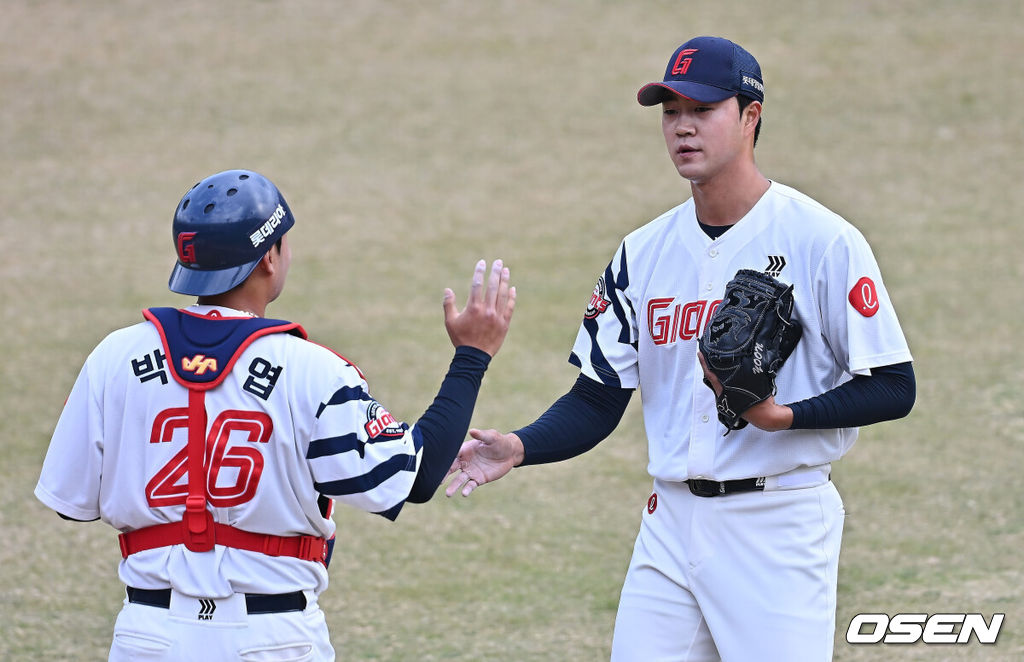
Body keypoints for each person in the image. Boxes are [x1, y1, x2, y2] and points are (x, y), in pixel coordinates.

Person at [445, 36, 915, 661]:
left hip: (777, 526)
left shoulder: (822, 241)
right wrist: (520, 446)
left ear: (750, 116)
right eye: (671, 113)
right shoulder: (642, 253)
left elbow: (893, 385)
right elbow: (598, 398)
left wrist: (782, 417)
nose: (682, 128)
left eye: (702, 110)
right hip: (668, 525)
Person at [34, 169, 516, 661]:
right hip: (271, 640)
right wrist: (471, 355)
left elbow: (69, 501)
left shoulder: (113, 357)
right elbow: (418, 475)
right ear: (269, 256)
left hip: (147, 638)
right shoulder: (313, 371)